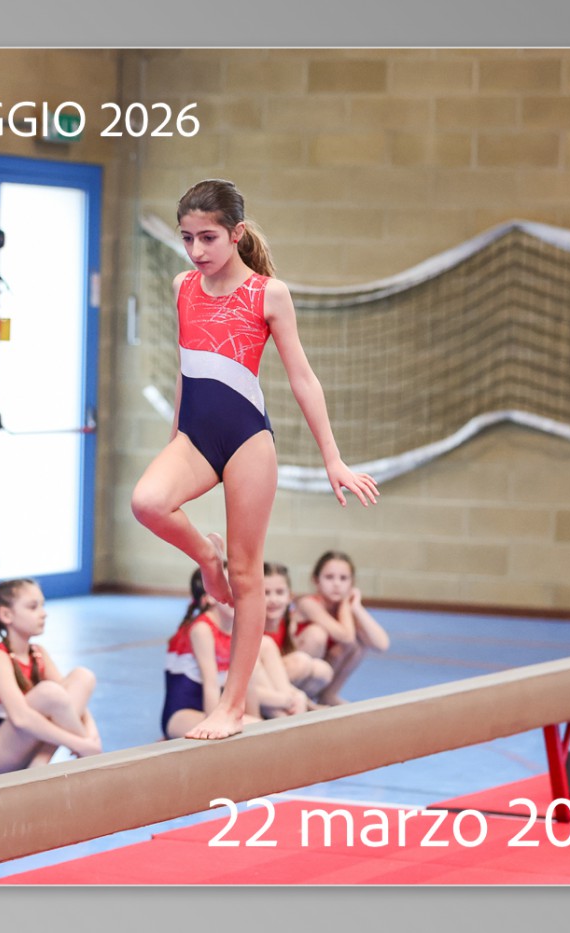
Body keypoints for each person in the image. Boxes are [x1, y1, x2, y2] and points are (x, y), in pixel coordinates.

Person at [131, 178, 379, 739]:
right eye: (187, 238)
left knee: (248, 576)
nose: (196, 251)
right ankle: (206, 556)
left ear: (236, 233)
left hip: (247, 442)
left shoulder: (268, 294)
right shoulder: (183, 286)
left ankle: (232, 705)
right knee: (147, 502)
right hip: (195, 437)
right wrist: (173, 439)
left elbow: (303, 378)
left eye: (208, 238)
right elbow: (185, 370)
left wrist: (333, 458)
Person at [0, 579, 102, 778]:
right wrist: (80, 743)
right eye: (33, 607)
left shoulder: (38, 653)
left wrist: (92, 737)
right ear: (6, 615)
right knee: (49, 693)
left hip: (24, 748)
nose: (44, 613)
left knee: (82, 677)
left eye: (43, 605)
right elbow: (20, 719)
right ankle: (88, 758)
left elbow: (71, 703)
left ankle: (40, 763)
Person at [162, 570, 265, 739]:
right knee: (255, 728)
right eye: (229, 588)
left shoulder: (240, 626)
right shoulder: (202, 629)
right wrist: (214, 724)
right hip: (182, 714)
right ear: (209, 597)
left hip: (216, 708)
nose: (236, 595)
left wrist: (258, 717)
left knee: (261, 726)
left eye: (239, 588)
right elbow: (211, 684)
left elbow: (250, 682)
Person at [292, 550, 390, 705]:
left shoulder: (346, 610)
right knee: (317, 634)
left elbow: (382, 645)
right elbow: (346, 636)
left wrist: (356, 607)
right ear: (316, 580)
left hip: (321, 674)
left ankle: (328, 695)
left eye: (343, 578)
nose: (336, 584)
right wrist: (345, 604)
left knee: (359, 645)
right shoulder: (308, 603)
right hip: (295, 670)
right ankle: (296, 694)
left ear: (352, 584)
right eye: (329, 577)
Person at [262, 561, 333, 706]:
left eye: (279, 592)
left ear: (290, 597)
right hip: (259, 682)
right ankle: (295, 703)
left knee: (323, 671)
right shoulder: (252, 624)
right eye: (266, 593)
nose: (273, 600)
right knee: (301, 662)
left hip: (280, 678)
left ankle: (294, 702)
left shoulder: (289, 622)